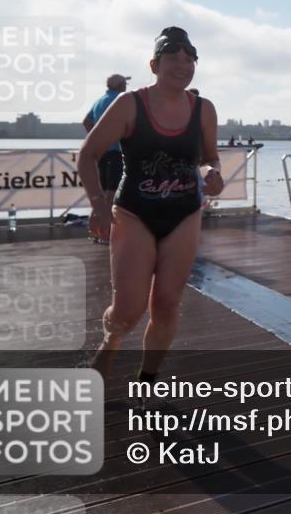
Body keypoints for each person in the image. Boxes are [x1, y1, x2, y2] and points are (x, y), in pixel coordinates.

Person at [77, 27, 224, 385]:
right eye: (173, 58)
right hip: (134, 213)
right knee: (129, 309)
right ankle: (111, 343)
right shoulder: (130, 104)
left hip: (184, 213)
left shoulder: (203, 108)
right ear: (154, 64)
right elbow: (88, 154)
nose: (183, 65)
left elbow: (208, 158)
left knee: (167, 303)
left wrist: (213, 173)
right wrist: (98, 205)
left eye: (189, 59)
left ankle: (147, 380)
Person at [82, 74, 131, 236]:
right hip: (117, 151)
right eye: (124, 83)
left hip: (102, 152)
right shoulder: (121, 99)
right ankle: (103, 226)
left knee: (103, 188)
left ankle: (98, 226)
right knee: (113, 189)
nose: (126, 85)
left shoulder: (100, 100)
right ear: (120, 85)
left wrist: (97, 139)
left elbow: (86, 121)